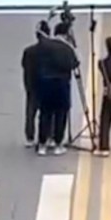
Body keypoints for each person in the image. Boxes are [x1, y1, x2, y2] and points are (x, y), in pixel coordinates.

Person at [35, 21, 80, 156]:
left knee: (45, 113)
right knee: (61, 114)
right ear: (66, 34)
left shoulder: (45, 45)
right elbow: (74, 64)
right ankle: (57, 142)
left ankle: (42, 143)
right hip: (61, 84)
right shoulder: (67, 48)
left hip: (45, 83)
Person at [21, 21, 50, 147]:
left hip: (31, 85)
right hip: (47, 85)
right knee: (46, 113)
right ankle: (46, 136)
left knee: (30, 113)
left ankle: (30, 137)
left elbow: (24, 65)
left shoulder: (29, 51)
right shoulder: (50, 51)